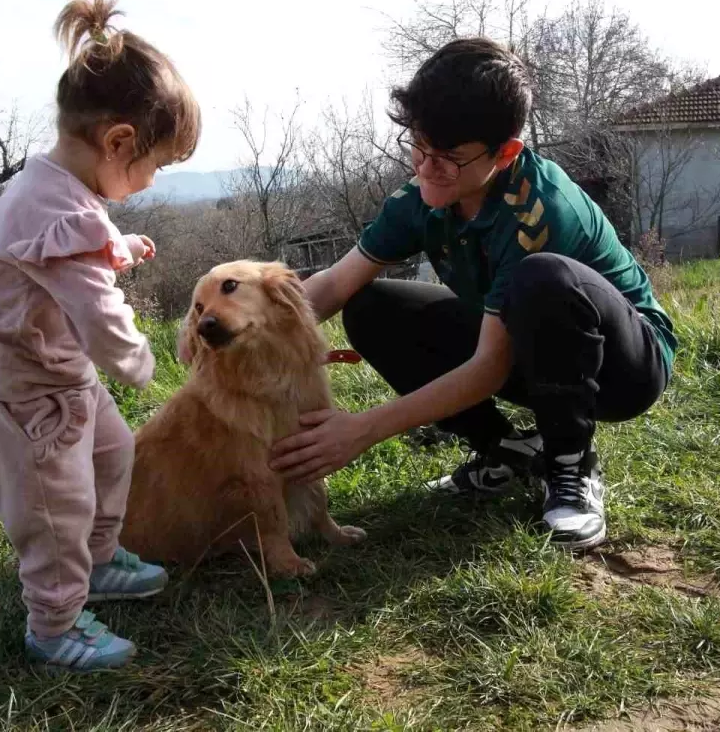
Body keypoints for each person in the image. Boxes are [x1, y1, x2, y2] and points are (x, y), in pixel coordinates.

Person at [270, 37, 676, 551]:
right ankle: (506, 451)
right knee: (371, 307)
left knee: (543, 278)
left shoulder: (540, 211)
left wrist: (362, 429)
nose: (425, 167)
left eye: (449, 158)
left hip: (622, 368)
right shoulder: (423, 193)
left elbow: (487, 366)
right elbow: (333, 283)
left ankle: (570, 466)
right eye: (418, 146)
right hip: (526, 348)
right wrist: (245, 331)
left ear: (506, 152)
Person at [0, 0, 201, 671]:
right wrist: (136, 358)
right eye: (154, 165)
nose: (151, 180)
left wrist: (119, 246)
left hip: (53, 372)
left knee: (113, 454)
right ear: (119, 142)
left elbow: (62, 256)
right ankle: (54, 623)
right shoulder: (65, 211)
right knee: (55, 505)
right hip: (18, 388)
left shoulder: (54, 188)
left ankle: (101, 556)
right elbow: (94, 309)